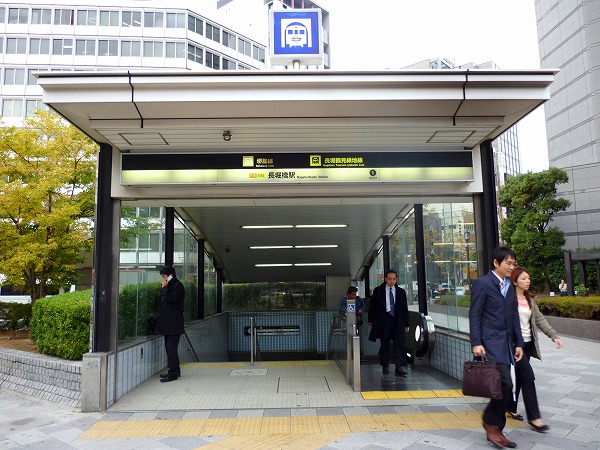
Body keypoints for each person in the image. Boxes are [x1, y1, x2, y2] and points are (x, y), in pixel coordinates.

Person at [469, 246, 524, 449]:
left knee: (503, 387)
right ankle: (490, 423)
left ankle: (496, 430)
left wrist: (518, 343)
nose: (511, 267)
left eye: (513, 264)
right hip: (489, 343)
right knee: (505, 385)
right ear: (496, 263)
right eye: (508, 263)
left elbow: (514, 316)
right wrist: (476, 342)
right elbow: (475, 315)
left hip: (506, 344)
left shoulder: (509, 286)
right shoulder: (482, 284)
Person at [506, 267, 563, 432]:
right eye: (524, 278)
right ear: (515, 281)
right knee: (528, 377)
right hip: (515, 345)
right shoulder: (508, 300)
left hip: (528, 345)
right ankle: (534, 418)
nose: (528, 281)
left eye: (528, 278)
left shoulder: (530, 300)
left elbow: (539, 320)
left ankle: (510, 406)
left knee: (519, 377)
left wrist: (554, 335)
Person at [367, 270, 410, 377]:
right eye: (389, 279)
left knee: (399, 343)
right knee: (385, 343)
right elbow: (372, 307)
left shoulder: (401, 292)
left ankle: (398, 367)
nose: (392, 281)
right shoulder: (378, 291)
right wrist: (371, 320)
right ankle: (385, 366)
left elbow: (404, 308)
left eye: (394, 279)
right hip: (384, 319)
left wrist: (406, 324)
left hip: (397, 320)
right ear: (385, 279)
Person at [155, 266, 185, 383]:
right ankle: (175, 370)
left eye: (164, 276)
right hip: (168, 323)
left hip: (174, 323)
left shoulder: (177, 286)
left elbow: (171, 299)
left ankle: (172, 373)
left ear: (170, 275)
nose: (163, 279)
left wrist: (164, 288)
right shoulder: (170, 286)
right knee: (170, 349)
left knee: (171, 349)